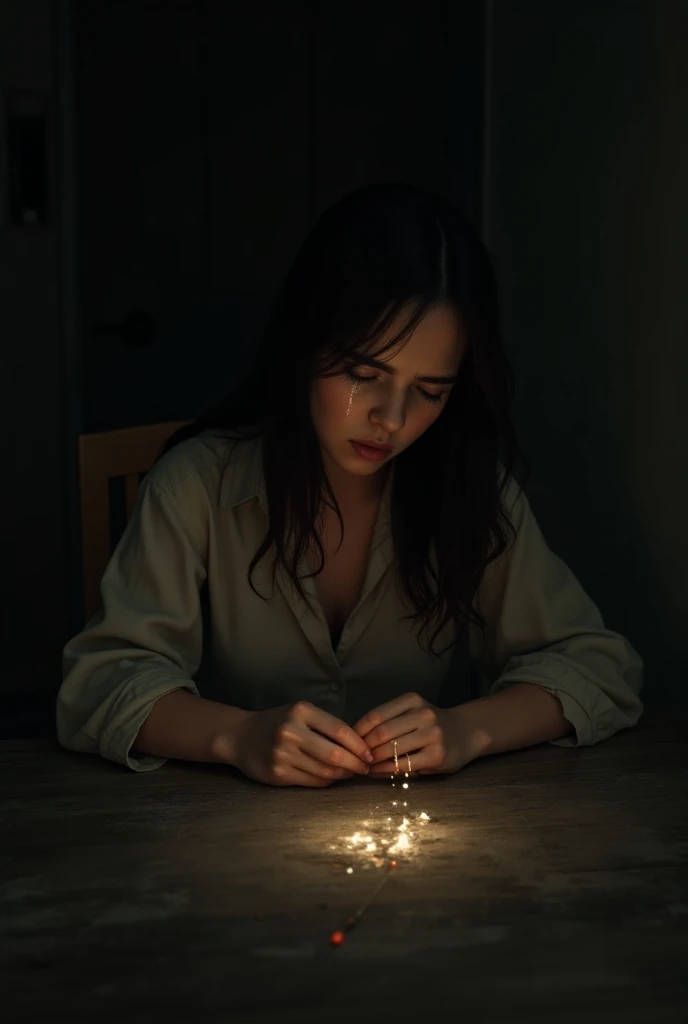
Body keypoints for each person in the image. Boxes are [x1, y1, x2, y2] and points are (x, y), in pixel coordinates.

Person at [56, 182, 643, 787]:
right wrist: (234, 735)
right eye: (365, 374)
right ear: (307, 345)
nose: (391, 419)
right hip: (211, 835)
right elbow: (102, 683)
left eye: (429, 392)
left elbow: (599, 666)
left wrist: (470, 729)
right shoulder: (197, 488)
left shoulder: (468, 492)